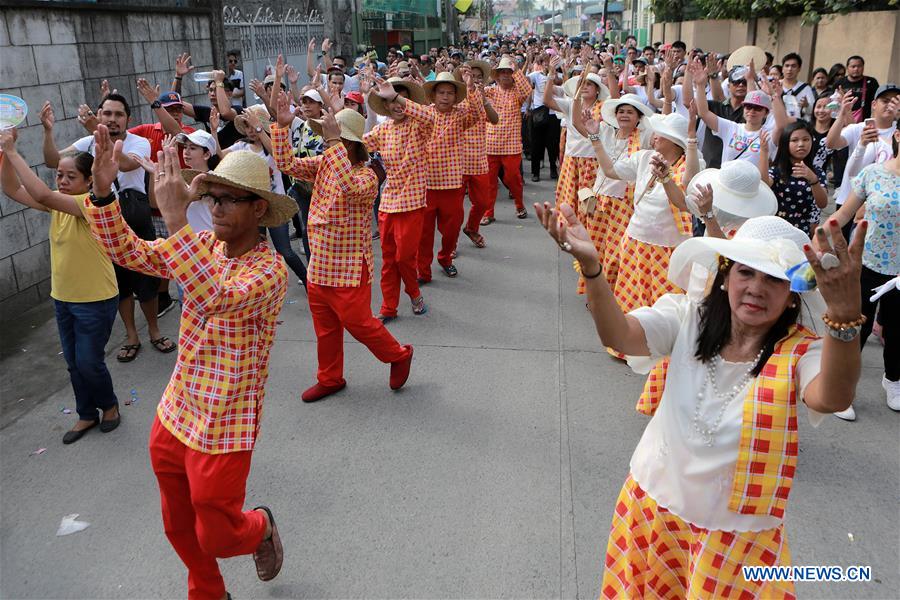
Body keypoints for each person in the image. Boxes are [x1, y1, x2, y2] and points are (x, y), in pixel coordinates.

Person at [536, 198, 864, 597]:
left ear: (792, 295)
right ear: (726, 277)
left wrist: (845, 319)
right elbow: (619, 336)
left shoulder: (802, 351)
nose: (757, 289)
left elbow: (830, 397)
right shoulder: (687, 317)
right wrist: (593, 269)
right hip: (651, 510)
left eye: (775, 280)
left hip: (733, 541)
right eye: (746, 272)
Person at [82, 126, 294, 598]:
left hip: (225, 423)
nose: (214, 207)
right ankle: (209, 592)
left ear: (259, 208)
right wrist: (101, 194)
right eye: (211, 197)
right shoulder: (201, 246)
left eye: (228, 199)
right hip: (176, 410)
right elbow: (130, 252)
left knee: (215, 535)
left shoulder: (270, 271)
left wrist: (177, 218)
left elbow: (213, 296)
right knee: (177, 526)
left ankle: (259, 526)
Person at [272, 102, 415, 402]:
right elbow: (287, 165)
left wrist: (334, 142)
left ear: (348, 143)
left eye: (332, 136)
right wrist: (281, 127)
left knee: (359, 324)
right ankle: (330, 377)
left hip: (349, 266)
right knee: (326, 329)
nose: (325, 140)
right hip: (320, 265)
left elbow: (348, 186)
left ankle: (398, 355)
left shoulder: (367, 177)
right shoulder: (326, 161)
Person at [0, 132, 120, 445]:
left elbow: (40, 194)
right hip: (63, 299)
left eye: (71, 176)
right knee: (73, 362)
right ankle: (85, 413)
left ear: (89, 181)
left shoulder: (89, 204)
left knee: (88, 361)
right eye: (59, 175)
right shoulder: (58, 205)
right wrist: (4, 154)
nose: (62, 181)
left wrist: (13, 150)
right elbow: (12, 189)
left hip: (96, 299)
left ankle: (108, 405)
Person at [41, 95, 175, 362]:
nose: (112, 120)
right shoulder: (86, 143)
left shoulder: (139, 143)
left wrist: (97, 132)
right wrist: (48, 132)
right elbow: (52, 160)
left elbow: (125, 164)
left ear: (128, 118)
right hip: (103, 218)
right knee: (120, 285)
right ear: (99, 115)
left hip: (136, 217)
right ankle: (131, 335)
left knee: (146, 283)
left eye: (118, 114)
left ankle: (154, 330)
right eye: (107, 114)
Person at [575, 108, 703, 330]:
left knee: (662, 304)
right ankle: (629, 347)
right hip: (635, 240)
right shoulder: (645, 157)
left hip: (667, 248)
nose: (654, 136)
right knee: (631, 299)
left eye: (660, 134)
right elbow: (610, 170)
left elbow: (684, 197)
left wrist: (691, 139)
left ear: (674, 142)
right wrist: (595, 136)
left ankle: (659, 351)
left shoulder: (686, 165)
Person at [828, 125, 900, 418]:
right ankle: (841, 390)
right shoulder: (873, 173)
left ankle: (893, 380)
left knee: (898, 332)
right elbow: (844, 213)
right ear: (898, 135)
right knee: (856, 329)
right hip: (867, 264)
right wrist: (823, 236)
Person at [363, 76, 435, 321]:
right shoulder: (382, 129)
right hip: (388, 203)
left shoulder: (419, 125)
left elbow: (430, 117)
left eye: (400, 98)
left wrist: (394, 95)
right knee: (388, 260)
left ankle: (414, 294)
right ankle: (388, 307)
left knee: (404, 257)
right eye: (391, 101)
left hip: (413, 203)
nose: (397, 105)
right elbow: (359, 146)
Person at [218, 104, 308, 288]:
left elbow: (279, 155)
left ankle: (309, 284)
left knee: (285, 251)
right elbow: (218, 155)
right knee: (255, 253)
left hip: (274, 205)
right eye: (248, 126)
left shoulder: (274, 144)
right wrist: (213, 131)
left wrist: (260, 129)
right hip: (252, 209)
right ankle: (262, 289)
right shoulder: (241, 146)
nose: (251, 130)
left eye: (254, 125)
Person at [575, 90, 653, 292]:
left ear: (638, 118)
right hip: (599, 200)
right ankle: (594, 289)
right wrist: (591, 129)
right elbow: (580, 125)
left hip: (623, 204)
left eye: (630, 112)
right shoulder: (606, 131)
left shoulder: (644, 139)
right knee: (596, 247)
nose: (625, 115)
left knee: (616, 250)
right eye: (621, 111)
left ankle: (609, 291)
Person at [417, 70, 483, 281]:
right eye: (441, 92)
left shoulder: (460, 115)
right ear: (433, 95)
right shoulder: (424, 114)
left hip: (452, 184)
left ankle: (446, 259)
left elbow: (476, 113)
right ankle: (423, 271)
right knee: (424, 234)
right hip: (426, 185)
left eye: (449, 93)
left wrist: (470, 87)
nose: (445, 97)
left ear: (456, 97)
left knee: (451, 230)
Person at [826, 85, 899, 240]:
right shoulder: (858, 128)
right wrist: (842, 114)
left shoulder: (897, 134)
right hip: (849, 199)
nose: (889, 105)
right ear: (874, 104)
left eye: (894, 102)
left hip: (880, 204)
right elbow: (831, 143)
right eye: (885, 101)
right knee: (843, 249)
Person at [695, 61, 790, 168]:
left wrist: (773, 94)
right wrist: (700, 85)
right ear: (744, 108)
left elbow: (782, 125)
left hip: (753, 184)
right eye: (748, 106)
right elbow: (703, 113)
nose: (752, 111)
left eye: (758, 108)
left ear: (766, 112)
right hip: (726, 182)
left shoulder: (767, 134)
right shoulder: (730, 127)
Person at [481, 55, 533, 224]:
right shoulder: (491, 91)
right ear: (497, 75)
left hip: (511, 145)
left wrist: (517, 69)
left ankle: (519, 205)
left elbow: (527, 91)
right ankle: (488, 213)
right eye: (501, 72)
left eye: (508, 72)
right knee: (489, 182)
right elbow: (474, 93)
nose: (505, 75)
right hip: (491, 145)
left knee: (513, 179)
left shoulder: (517, 93)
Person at [458, 60, 500, 249]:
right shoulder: (456, 99)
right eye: (470, 76)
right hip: (456, 163)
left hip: (478, 160)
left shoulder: (482, 99)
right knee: (454, 210)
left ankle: (471, 227)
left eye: (478, 77)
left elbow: (495, 119)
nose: (474, 80)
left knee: (483, 202)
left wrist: (482, 98)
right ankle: (451, 245)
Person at [759, 123, 828, 236]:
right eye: (794, 140)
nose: (801, 144)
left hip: (801, 231)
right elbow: (764, 184)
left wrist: (813, 180)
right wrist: (764, 152)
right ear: (786, 143)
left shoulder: (816, 172)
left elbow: (822, 203)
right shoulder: (777, 170)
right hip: (775, 230)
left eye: (806, 139)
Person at [528, 54, 561, 182]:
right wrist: (527, 63)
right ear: (541, 63)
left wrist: (558, 70)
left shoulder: (556, 76)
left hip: (553, 114)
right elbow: (525, 81)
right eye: (546, 62)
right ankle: (535, 172)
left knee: (553, 144)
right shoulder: (536, 75)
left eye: (550, 61)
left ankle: (553, 169)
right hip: (539, 113)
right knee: (536, 144)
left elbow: (562, 84)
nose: (548, 64)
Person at [836, 56, 880, 122]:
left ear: (863, 67)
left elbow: (877, 102)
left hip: (863, 122)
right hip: (843, 121)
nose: (856, 69)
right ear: (847, 68)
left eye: (859, 66)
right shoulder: (839, 83)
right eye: (853, 66)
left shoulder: (871, 82)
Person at [780, 53, 816, 121]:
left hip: (798, 126)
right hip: (776, 125)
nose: (789, 69)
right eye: (787, 66)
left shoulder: (806, 88)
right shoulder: (775, 85)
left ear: (799, 69)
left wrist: (807, 105)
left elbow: (813, 111)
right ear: (782, 69)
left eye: (793, 66)